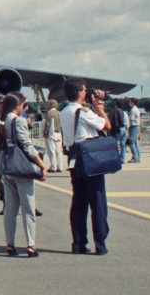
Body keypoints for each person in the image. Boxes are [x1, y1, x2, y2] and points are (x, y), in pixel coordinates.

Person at [60, 78, 111, 255]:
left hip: (74, 160)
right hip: (90, 160)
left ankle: (78, 243)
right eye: (84, 90)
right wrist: (100, 108)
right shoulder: (83, 112)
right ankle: (100, 244)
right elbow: (106, 125)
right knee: (98, 202)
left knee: (78, 203)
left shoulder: (64, 111)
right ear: (79, 92)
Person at [0, 93, 49, 257]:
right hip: (21, 168)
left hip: (7, 166)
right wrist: (42, 165)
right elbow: (27, 145)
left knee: (10, 209)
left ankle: (10, 243)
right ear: (17, 106)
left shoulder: (3, 119)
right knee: (28, 208)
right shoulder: (19, 121)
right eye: (23, 104)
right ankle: (31, 244)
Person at [43, 100, 64, 173]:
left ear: (51, 105)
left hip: (51, 133)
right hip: (59, 133)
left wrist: (45, 132)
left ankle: (53, 167)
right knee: (58, 151)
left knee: (51, 150)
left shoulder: (49, 113)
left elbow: (47, 124)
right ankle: (60, 167)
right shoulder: (59, 113)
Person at [127, 98, 142, 163]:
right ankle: (138, 157)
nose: (129, 103)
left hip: (133, 126)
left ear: (132, 102)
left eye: (130, 102)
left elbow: (131, 119)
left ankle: (135, 157)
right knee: (136, 142)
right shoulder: (136, 109)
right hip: (136, 126)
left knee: (131, 142)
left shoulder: (133, 110)